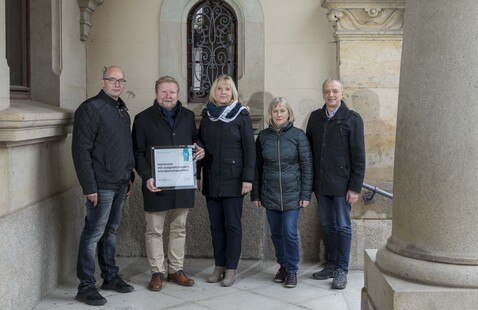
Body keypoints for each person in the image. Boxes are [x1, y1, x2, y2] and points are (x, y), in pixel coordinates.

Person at [132, 76, 205, 291]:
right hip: (156, 185)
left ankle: (175, 270)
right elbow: (137, 152)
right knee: (154, 230)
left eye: (172, 92)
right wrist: (147, 176)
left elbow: (195, 141)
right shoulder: (143, 118)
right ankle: (157, 271)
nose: (168, 96)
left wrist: (200, 149)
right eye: (163, 92)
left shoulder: (189, 116)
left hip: (182, 183)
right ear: (156, 93)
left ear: (178, 93)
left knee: (179, 228)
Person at [72, 66, 135, 306]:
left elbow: (124, 147)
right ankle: (85, 286)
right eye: (112, 80)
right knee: (93, 233)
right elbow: (81, 151)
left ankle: (109, 276)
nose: (117, 84)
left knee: (110, 231)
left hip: (120, 183)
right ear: (102, 82)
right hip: (100, 185)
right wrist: (89, 186)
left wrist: (130, 177)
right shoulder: (90, 109)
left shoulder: (121, 110)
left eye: (121, 80)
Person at [306, 78, 365, 290]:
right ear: (323, 94)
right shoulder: (315, 118)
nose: (331, 95)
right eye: (327, 91)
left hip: (342, 186)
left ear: (343, 93)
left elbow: (359, 156)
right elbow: (309, 153)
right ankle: (331, 264)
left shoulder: (352, 119)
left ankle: (342, 269)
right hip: (321, 185)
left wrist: (355, 187)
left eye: (335, 91)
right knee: (328, 225)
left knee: (343, 226)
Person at [197, 75, 256, 287]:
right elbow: (200, 147)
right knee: (216, 227)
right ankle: (218, 266)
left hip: (234, 180)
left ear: (233, 93)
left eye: (227, 89)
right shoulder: (207, 115)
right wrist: (198, 175)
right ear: (214, 92)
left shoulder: (241, 116)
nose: (223, 92)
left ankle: (231, 268)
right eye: (220, 89)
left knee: (232, 226)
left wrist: (248, 178)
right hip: (212, 178)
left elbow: (250, 149)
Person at [251, 97, 313, 288]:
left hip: (293, 194)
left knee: (289, 232)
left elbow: (307, 166)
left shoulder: (298, 136)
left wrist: (305, 195)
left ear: (289, 114)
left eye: (282, 111)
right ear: (271, 114)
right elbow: (257, 168)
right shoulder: (263, 137)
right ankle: (283, 266)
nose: (279, 114)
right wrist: (256, 194)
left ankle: (293, 270)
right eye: (275, 111)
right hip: (270, 193)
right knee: (276, 234)